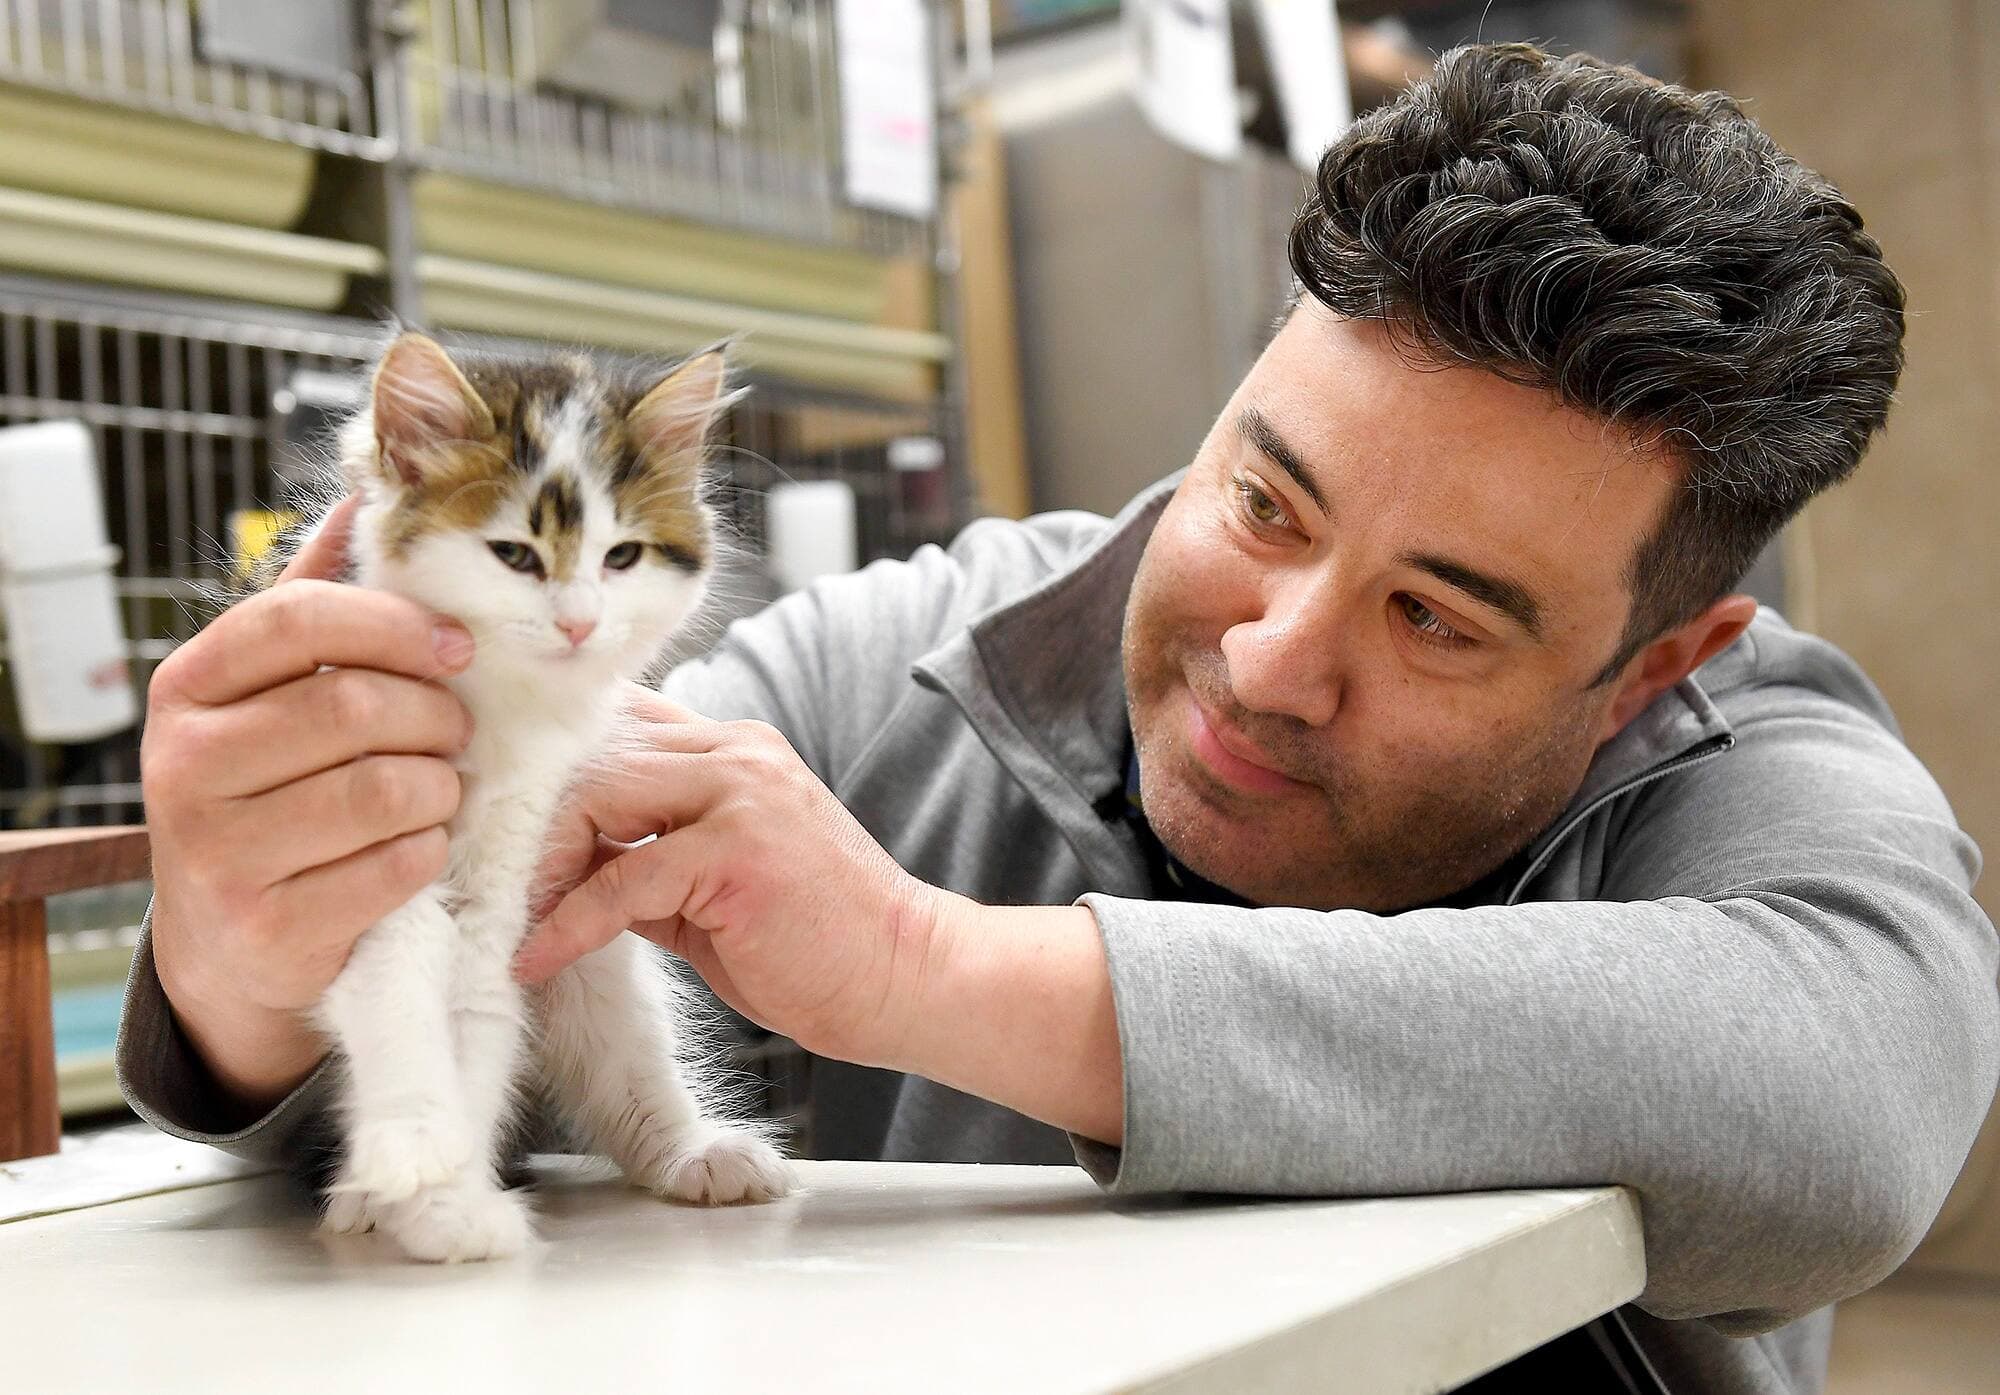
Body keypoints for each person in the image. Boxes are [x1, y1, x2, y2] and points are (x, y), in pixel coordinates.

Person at [118, 43, 1995, 1394]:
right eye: (1265, 505)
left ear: (1655, 665)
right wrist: (240, 960)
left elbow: (1843, 1109)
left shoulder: (1754, 764)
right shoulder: (905, 661)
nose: (1270, 658)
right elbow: (426, 1075)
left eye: (1435, 618)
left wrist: (923, 962)